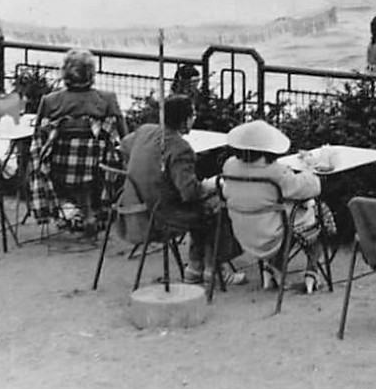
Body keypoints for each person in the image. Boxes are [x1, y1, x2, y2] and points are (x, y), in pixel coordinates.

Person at [119, 93, 238, 287]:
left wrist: (145, 168)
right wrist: (212, 184)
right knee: (215, 207)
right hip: (157, 217)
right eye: (192, 115)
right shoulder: (180, 148)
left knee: (203, 210)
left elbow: (124, 145)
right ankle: (216, 269)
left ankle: (195, 268)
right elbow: (190, 193)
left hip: (131, 207)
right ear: (185, 120)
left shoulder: (146, 131)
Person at [217, 119, 332, 293]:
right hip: (272, 234)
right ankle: (312, 271)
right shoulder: (275, 173)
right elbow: (312, 187)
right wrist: (310, 164)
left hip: (244, 231)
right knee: (320, 212)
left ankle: (274, 267)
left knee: (283, 214)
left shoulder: (230, 166)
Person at [30, 48, 125, 234]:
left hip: (58, 167)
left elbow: (38, 136)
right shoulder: (107, 99)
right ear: (92, 73)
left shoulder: (50, 101)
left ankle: (64, 208)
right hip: (99, 169)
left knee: (33, 155)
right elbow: (124, 137)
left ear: (65, 72)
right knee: (116, 155)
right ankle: (92, 211)